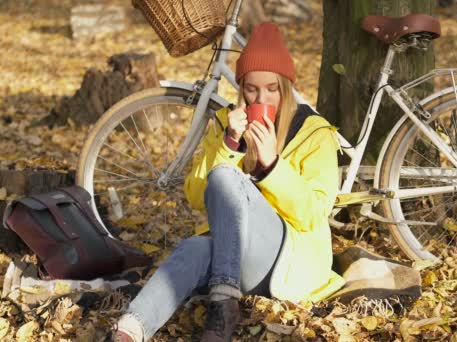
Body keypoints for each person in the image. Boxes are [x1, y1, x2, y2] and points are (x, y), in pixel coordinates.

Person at [112, 22, 345, 342]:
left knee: (223, 175)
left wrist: (272, 166)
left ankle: (222, 303)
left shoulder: (314, 132)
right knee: (195, 246)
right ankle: (129, 330)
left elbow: (314, 214)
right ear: (240, 89)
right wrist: (230, 144)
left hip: (286, 262)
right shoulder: (225, 123)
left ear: (286, 87)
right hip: (233, 261)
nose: (260, 98)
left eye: (271, 89)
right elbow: (196, 196)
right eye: (251, 89)